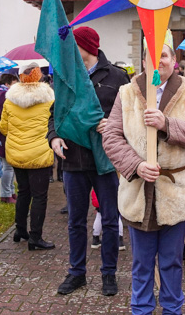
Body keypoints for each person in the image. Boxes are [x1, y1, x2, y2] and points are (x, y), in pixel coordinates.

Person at [102, 44, 185, 315]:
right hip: (139, 191)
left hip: (173, 191)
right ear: (142, 61)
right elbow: (111, 136)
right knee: (140, 263)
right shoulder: (127, 93)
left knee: (172, 262)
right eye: (150, 55)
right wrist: (135, 165)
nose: (157, 61)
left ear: (173, 61)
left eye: (163, 55)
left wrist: (167, 125)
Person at [48, 26, 129, 297]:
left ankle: (109, 274)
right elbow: (54, 114)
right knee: (75, 221)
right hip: (72, 158)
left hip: (105, 160)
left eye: (75, 45)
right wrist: (54, 138)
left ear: (87, 47)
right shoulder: (65, 77)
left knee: (109, 220)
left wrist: (115, 124)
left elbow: (131, 114)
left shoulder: (117, 77)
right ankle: (77, 273)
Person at [0, 65, 56, 252]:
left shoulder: (10, 100)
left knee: (23, 192)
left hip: (16, 152)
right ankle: (35, 237)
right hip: (40, 152)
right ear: (39, 77)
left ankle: (20, 230)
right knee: (39, 196)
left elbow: (3, 128)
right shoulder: (48, 99)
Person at [0, 73, 19, 204]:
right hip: (4, 135)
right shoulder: (4, 97)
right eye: (14, 84)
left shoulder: (4, 96)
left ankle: (11, 191)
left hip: (7, 134)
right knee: (8, 167)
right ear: (7, 84)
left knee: (11, 166)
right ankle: (5, 194)